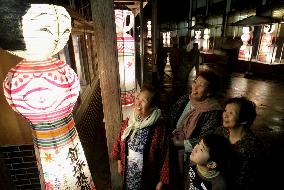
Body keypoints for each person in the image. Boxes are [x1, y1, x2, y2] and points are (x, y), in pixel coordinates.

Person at [169, 70, 223, 188]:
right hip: (173, 147)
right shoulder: (185, 99)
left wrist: (182, 143)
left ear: (209, 92)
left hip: (192, 157)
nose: (195, 87)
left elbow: (206, 138)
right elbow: (171, 116)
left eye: (201, 85)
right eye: (195, 82)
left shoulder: (213, 112)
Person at [111, 84, 169, 190]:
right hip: (129, 171)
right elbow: (120, 140)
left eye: (144, 101)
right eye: (138, 98)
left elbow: (165, 156)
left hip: (148, 175)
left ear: (152, 107)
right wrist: (119, 162)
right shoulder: (129, 122)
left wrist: (161, 181)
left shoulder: (159, 128)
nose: (138, 102)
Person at [217, 97, 264, 190]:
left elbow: (244, 181)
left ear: (244, 120)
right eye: (225, 110)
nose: (225, 115)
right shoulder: (221, 131)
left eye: (231, 113)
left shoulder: (252, 147)